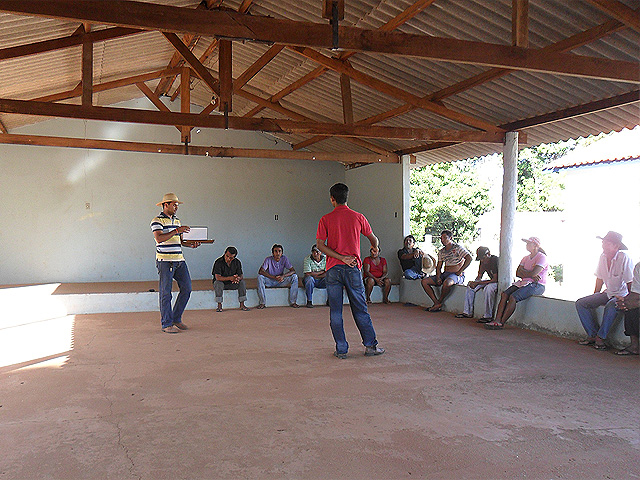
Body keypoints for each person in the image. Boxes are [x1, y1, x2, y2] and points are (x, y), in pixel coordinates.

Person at [316, 183, 385, 359]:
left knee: (336, 311)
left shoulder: (325, 219)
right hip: (353, 268)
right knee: (360, 309)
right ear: (347, 198)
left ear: (332, 199)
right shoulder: (358, 217)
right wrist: (375, 247)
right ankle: (370, 346)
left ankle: (341, 349)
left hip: (333, 269)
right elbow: (373, 238)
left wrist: (339, 258)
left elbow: (320, 245)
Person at [150, 193, 201, 333]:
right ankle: (166, 324)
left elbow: (179, 241)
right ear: (165, 205)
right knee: (166, 293)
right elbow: (159, 239)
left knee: (187, 288)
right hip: (165, 261)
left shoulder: (177, 221)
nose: (176, 207)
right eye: (174, 204)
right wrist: (177, 230)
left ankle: (176, 319)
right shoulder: (157, 221)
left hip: (179, 260)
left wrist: (191, 245)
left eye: (177, 205)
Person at [576, 231, 633, 350]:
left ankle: (600, 338)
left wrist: (628, 299)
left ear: (616, 246)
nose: (603, 245)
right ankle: (592, 334)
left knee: (611, 306)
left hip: (621, 295)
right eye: (603, 242)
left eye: (606, 242)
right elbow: (599, 278)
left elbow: (629, 282)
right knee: (581, 303)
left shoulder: (624, 258)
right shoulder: (603, 257)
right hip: (608, 293)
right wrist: (595, 294)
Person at [485, 237, 548, 330]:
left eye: (529, 243)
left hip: (537, 285)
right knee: (504, 294)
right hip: (523, 282)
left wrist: (526, 272)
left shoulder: (542, 257)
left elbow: (533, 273)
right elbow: (518, 273)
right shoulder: (525, 258)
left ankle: (501, 323)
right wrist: (530, 274)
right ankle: (497, 319)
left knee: (513, 297)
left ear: (536, 246)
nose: (527, 245)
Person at [421, 230, 472, 312]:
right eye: (441, 238)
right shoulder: (442, 251)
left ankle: (439, 302)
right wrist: (438, 277)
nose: (442, 240)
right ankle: (436, 302)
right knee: (424, 281)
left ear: (450, 238)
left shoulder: (458, 248)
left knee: (447, 283)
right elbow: (439, 266)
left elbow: (469, 258)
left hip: (456, 275)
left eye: (445, 238)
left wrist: (460, 271)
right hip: (445, 274)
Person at [455, 246, 498, 323]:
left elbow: (495, 279)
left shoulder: (495, 260)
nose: (482, 260)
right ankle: (467, 312)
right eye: (481, 259)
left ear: (488, 254)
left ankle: (488, 316)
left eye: (483, 258)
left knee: (488, 289)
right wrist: (475, 282)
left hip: (498, 282)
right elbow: (480, 275)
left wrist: (478, 282)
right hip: (491, 280)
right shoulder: (483, 262)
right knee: (470, 287)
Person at [257, 244, 299, 309]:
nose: (278, 253)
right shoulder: (268, 259)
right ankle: (262, 302)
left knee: (294, 277)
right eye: (275, 251)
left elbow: (293, 270)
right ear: (272, 253)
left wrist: (283, 276)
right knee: (260, 277)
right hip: (270, 281)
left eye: (279, 251)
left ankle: (293, 302)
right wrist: (273, 277)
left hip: (281, 281)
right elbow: (261, 271)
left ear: (282, 253)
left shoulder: (284, 259)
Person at [212, 246, 250, 312]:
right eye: (227, 256)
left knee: (242, 282)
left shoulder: (237, 262)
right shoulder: (218, 262)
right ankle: (219, 305)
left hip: (232, 283)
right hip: (222, 283)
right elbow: (217, 277)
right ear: (224, 254)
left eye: (231, 258)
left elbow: (241, 275)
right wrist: (230, 278)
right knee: (217, 283)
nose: (228, 259)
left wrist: (237, 278)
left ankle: (242, 304)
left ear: (234, 257)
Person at [615, 261, 639, 356]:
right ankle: (634, 346)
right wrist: (626, 301)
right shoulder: (639, 267)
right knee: (629, 307)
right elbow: (636, 292)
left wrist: (637, 303)